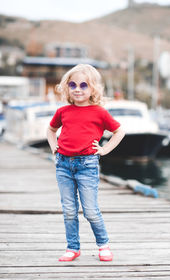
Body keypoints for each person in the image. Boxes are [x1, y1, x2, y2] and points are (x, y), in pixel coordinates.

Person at [47, 64, 125, 262]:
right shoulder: (63, 111)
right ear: (67, 88)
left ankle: (103, 245)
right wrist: (53, 146)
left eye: (83, 85)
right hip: (63, 165)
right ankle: (73, 247)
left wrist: (105, 149)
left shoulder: (99, 112)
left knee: (90, 210)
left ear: (92, 89)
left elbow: (119, 132)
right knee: (69, 210)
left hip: (87, 165)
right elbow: (50, 130)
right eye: (72, 85)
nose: (77, 89)